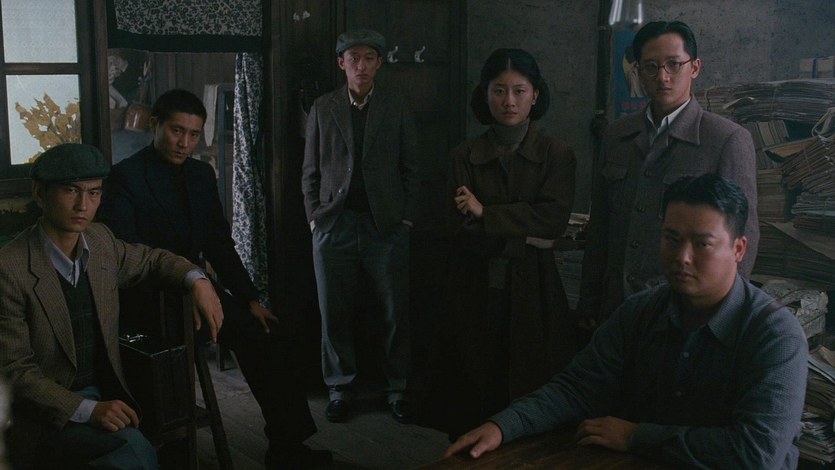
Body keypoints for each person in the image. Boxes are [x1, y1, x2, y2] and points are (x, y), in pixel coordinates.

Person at [445, 174, 807, 470]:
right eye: (671, 239)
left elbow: (756, 454)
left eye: (702, 244)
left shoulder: (776, 335)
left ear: (739, 249)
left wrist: (636, 436)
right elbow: (576, 388)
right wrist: (502, 426)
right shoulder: (641, 311)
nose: (682, 257)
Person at [97, 89, 331, 469]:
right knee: (166, 362)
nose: (185, 143)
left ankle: (287, 446)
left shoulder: (201, 175)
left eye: (193, 134)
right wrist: (184, 285)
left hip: (203, 293)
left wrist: (250, 298)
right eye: (176, 131)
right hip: (148, 301)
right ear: (155, 125)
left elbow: (219, 242)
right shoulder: (125, 177)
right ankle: (172, 450)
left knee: (265, 334)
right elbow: (128, 255)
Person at [0, 143, 224, 470]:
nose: (83, 205)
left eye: (93, 193)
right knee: (132, 449)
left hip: (109, 392)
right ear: (39, 193)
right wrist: (88, 410)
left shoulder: (100, 241)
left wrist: (197, 280)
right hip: (45, 414)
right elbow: (14, 371)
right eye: (70, 191)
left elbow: (152, 260)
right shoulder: (10, 268)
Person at [578, 20, 760, 326]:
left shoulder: (726, 139)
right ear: (638, 72)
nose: (662, 77)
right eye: (651, 67)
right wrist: (588, 303)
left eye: (674, 64)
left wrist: (721, 322)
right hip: (615, 306)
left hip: (684, 311)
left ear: (695, 67)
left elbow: (744, 237)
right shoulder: (617, 136)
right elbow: (600, 231)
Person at [442, 48, 577, 437]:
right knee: (473, 388)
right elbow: (459, 231)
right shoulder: (464, 155)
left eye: (520, 90)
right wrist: (526, 238)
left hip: (535, 288)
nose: (509, 101)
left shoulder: (557, 154)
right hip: (473, 286)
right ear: (485, 95)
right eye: (499, 90)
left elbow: (552, 221)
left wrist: (486, 213)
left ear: (536, 95)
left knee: (531, 389)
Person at [301, 28, 420, 424]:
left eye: (369, 58)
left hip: (384, 226)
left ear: (379, 63)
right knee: (333, 312)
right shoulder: (323, 107)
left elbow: (412, 169)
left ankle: (397, 387)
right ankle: (339, 387)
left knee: (394, 311)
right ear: (342, 63)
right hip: (333, 225)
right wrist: (315, 218)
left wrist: (404, 218)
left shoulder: (396, 106)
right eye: (354, 59)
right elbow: (310, 172)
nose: (362, 66)